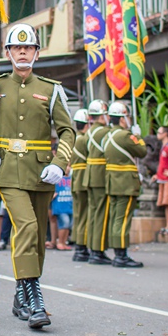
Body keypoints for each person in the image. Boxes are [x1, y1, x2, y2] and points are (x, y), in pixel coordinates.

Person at [0, 22, 75, 329]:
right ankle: (35, 297)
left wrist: (60, 162)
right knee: (28, 226)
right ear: (7, 53)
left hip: (42, 171)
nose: (22, 52)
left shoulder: (50, 89)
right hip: (6, 170)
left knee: (36, 233)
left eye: (28, 47)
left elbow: (68, 130)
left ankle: (21, 296)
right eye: (16, 47)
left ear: (36, 52)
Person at [101, 102, 148, 268]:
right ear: (122, 118)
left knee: (116, 218)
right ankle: (121, 255)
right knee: (123, 219)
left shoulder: (107, 136)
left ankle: (118, 253)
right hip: (126, 182)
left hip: (112, 181)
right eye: (127, 116)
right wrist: (139, 137)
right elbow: (142, 152)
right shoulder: (125, 136)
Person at [82, 100, 110, 264]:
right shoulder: (105, 132)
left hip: (90, 174)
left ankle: (92, 247)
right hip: (100, 175)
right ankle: (98, 250)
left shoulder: (89, 132)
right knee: (100, 214)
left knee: (93, 214)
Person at [69, 108, 90, 259]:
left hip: (76, 177)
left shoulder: (74, 138)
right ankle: (81, 247)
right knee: (84, 215)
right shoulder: (84, 139)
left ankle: (77, 243)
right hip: (83, 178)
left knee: (78, 214)